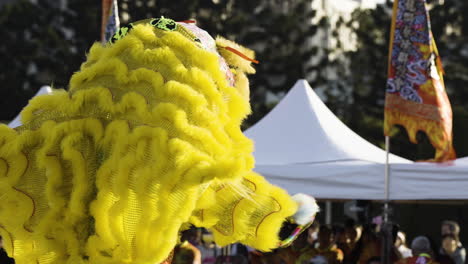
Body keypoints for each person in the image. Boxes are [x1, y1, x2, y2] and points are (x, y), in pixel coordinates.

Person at [0, 16, 319, 264]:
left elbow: (14, 164)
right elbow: (262, 219)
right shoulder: (184, 155)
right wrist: (291, 218)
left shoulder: (57, 132)